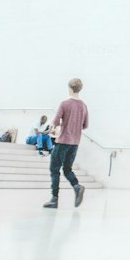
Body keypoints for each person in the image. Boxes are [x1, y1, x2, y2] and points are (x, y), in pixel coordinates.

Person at [44, 78, 88, 210]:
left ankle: (54, 199)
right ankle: (77, 186)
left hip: (63, 141)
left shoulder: (65, 104)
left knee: (54, 169)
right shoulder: (84, 106)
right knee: (67, 169)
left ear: (69, 88)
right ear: (80, 89)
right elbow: (85, 125)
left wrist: (53, 129)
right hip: (75, 143)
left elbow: (55, 122)